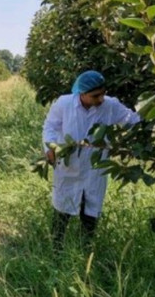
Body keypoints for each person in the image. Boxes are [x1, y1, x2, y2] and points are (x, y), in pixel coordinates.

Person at [42, 70, 139, 248]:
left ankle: (85, 248)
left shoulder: (110, 105)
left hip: (95, 169)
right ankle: (56, 247)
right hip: (69, 166)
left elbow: (131, 119)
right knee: (62, 208)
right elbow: (50, 126)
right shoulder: (64, 104)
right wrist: (49, 146)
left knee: (90, 211)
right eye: (95, 96)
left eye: (103, 94)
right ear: (82, 93)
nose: (100, 99)